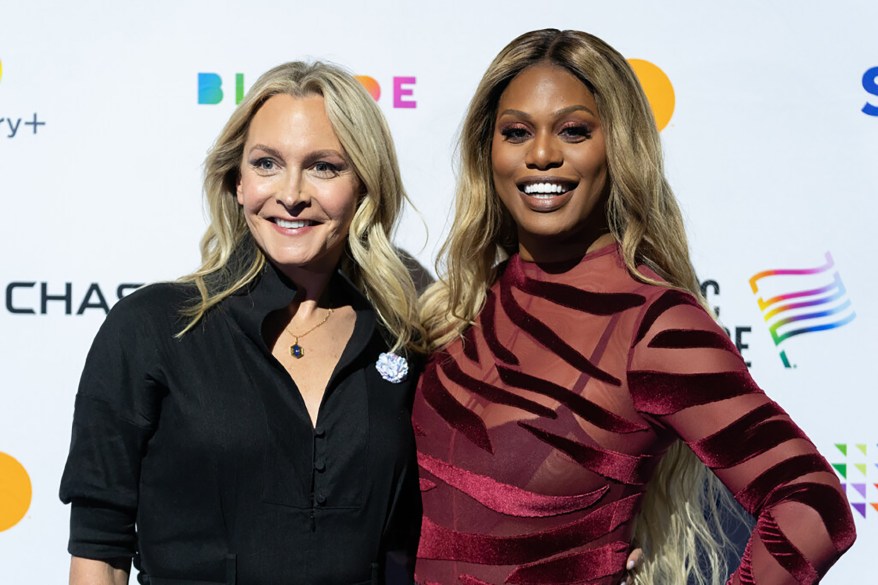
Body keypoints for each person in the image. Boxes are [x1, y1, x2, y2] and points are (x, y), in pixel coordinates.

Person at [414, 29, 856, 585]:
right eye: (517, 132)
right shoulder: (464, 307)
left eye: (574, 131)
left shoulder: (656, 326)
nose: (543, 154)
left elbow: (812, 504)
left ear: (618, 146)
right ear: (489, 150)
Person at [59, 61, 424, 585]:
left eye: (324, 166)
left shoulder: (400, 343)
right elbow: (99, 549)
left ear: (365, 185)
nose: (292, 192)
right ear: (237, 181)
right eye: (267, 163)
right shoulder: (155, 328)